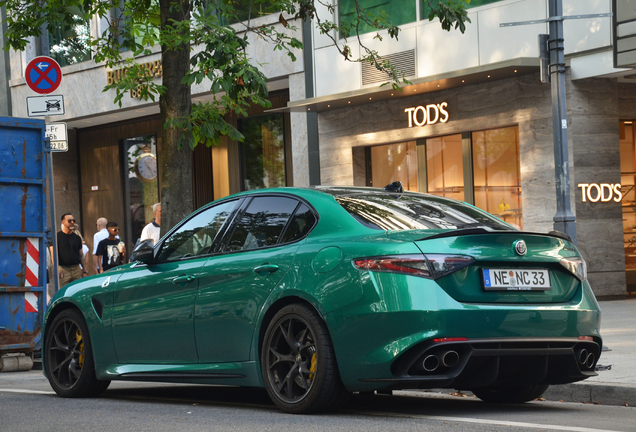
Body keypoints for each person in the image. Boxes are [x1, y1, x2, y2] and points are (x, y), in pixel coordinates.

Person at [51, 213, 88, 288]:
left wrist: (84, 270)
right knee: (64, 291)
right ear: (63, 222)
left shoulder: (77, 238)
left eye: (73, 221)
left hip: (76, 269)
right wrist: (56, 269)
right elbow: (53, 255)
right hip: (63, 269)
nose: (72, 223)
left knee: (77, 290)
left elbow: (80, 255)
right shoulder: (56, 237)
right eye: (69, 221)